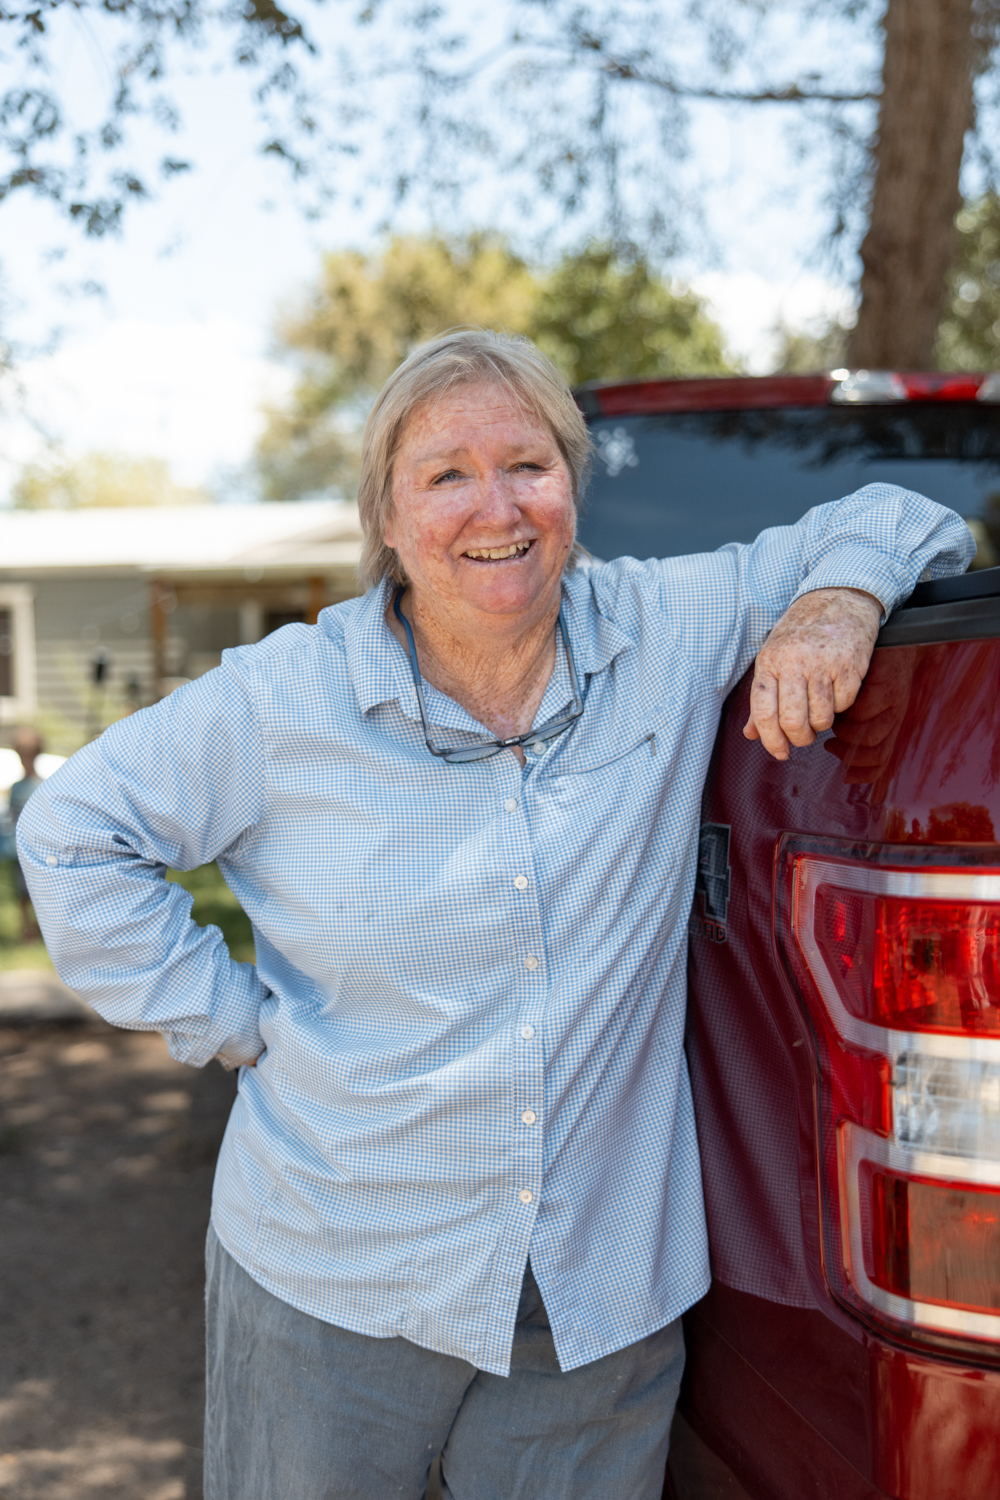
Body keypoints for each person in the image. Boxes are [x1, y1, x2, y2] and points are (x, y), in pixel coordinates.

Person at [17, 330, 974, 1500]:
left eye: (529, 462)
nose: (496, 505)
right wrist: (234, 1021)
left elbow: (903, 512)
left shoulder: (667, 628)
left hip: (595, 1303)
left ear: (571, 486)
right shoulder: (281, 699)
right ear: (384, 516)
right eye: (444, 473)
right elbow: (73, 838)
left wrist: (834, 601)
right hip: (337, 1275)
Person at [8, 728, 44, 942]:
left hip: (40, 847)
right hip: (18, 848)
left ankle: (44, 929)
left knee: (42, 891)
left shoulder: (43, 785)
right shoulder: (15, 788)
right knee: (22, 891)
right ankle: (27, 929)